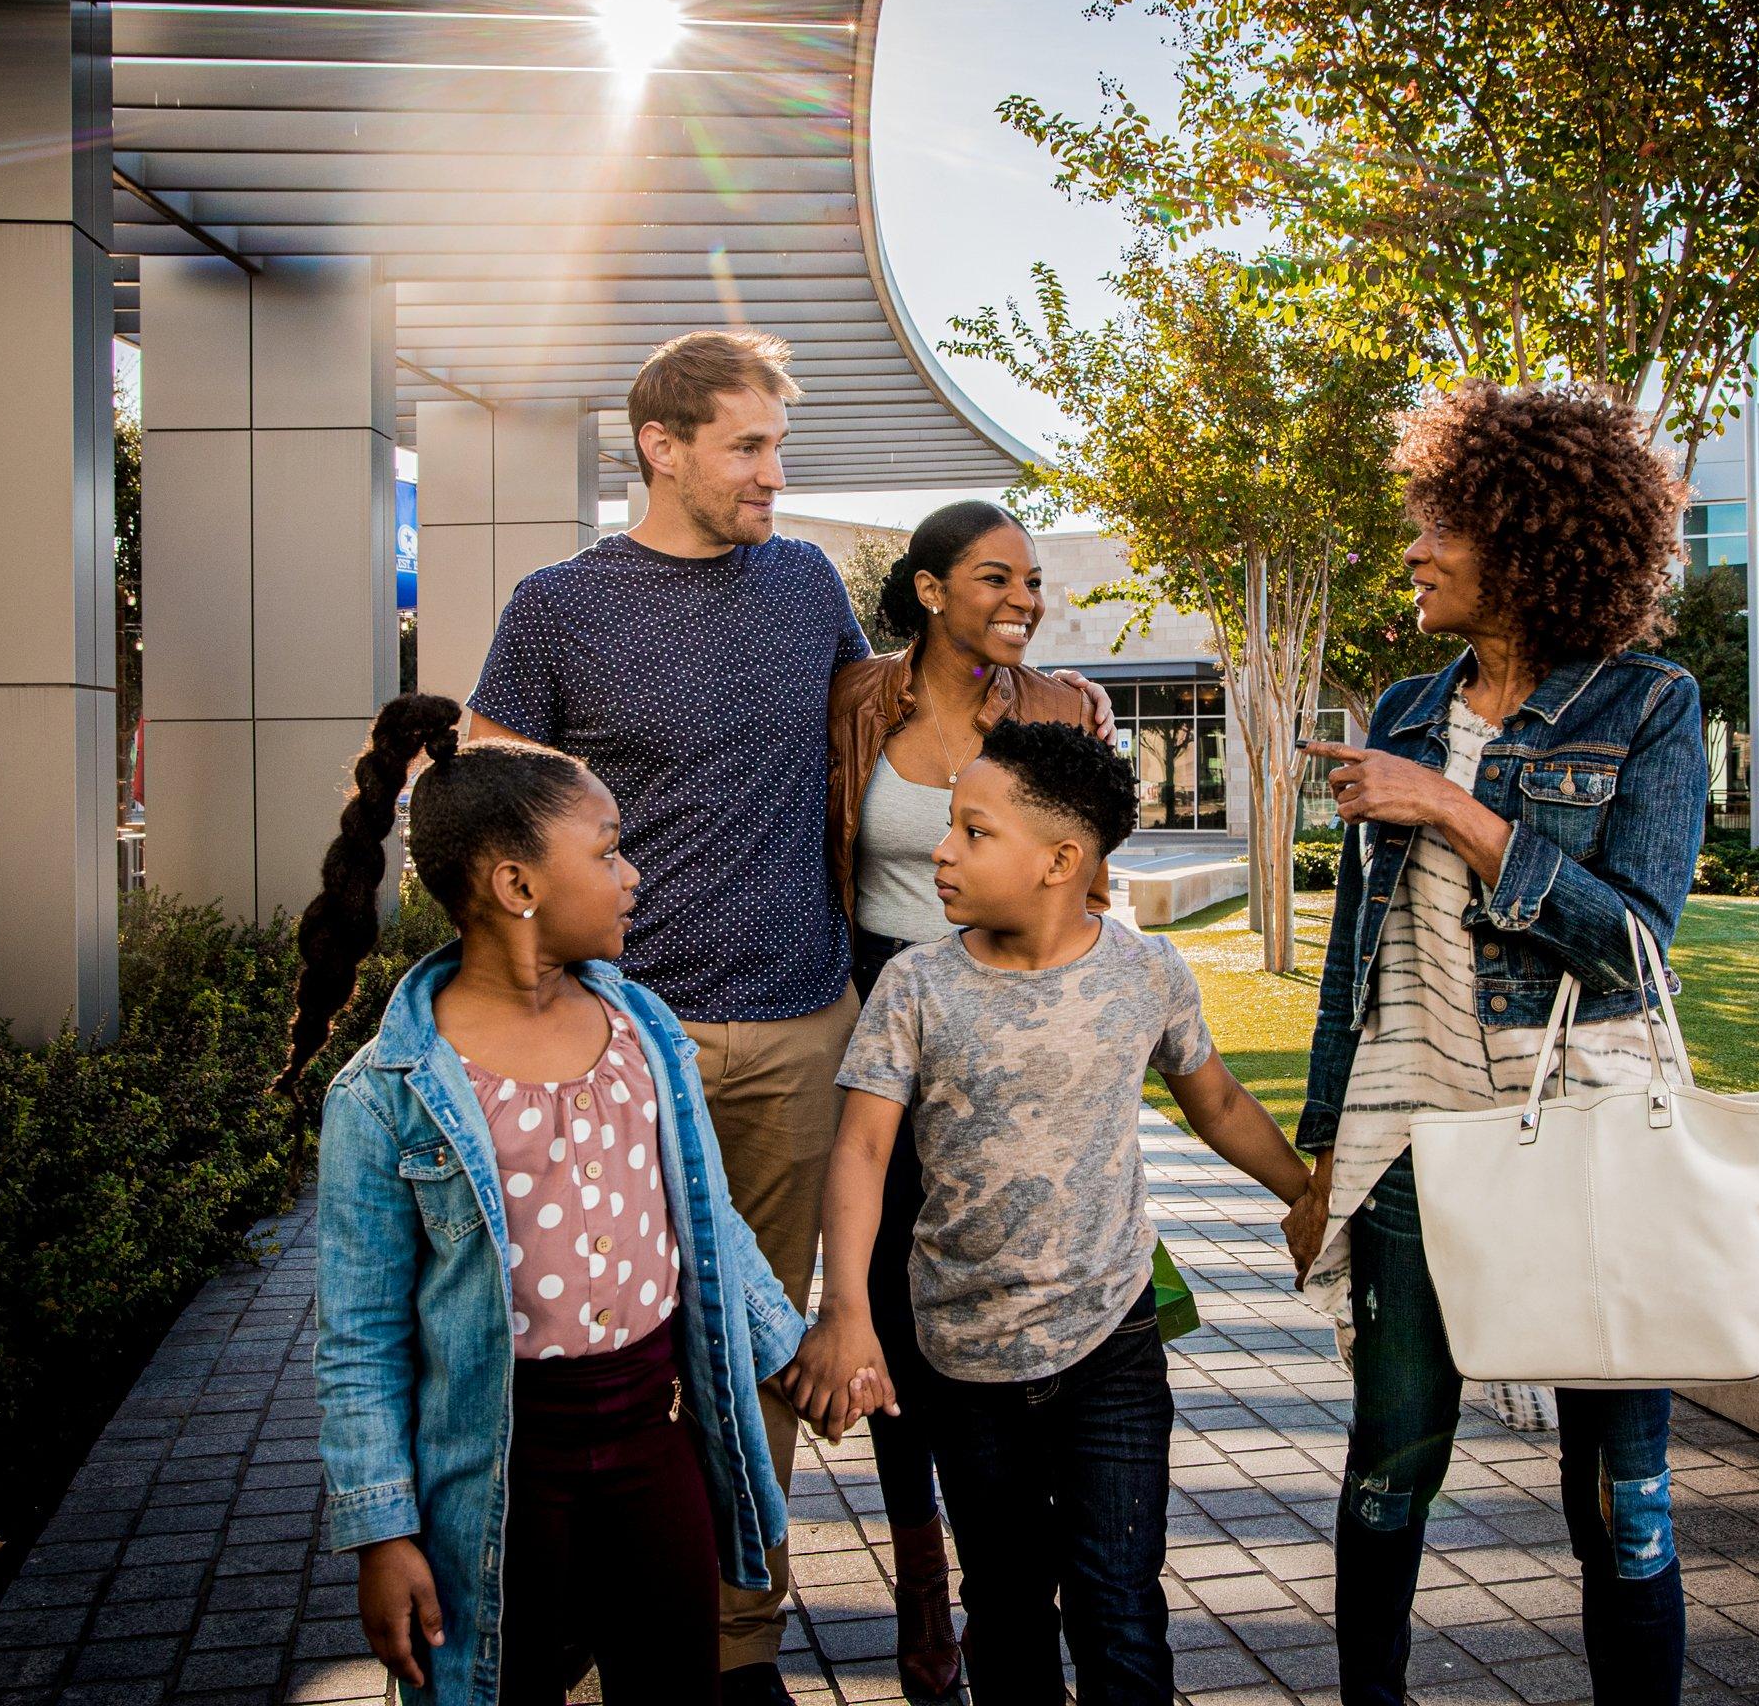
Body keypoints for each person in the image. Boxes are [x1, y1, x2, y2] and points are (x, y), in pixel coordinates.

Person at [460, 331, 1111, 1700]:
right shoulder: (558, 605)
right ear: (664, 445)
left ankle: (733, 1641)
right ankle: (582, 1639)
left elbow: (900, 705)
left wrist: (1051, 702)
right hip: (626, 1041)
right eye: (750, 448)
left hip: (806, 1033)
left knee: (755, 1353)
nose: (773, 474)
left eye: (778, 448)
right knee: (605, 1348)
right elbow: (481, 780)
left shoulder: (804, 581)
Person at [1286, 383, 1708, 1706]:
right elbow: (1354, 964)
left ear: (1529, 543)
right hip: (1413, 1139)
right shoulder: (1409, 709)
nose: (1410, 550)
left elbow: (1632, 943)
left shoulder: (1648, 707)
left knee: (1619, 1494)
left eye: (1438, 526)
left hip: (1584, 1136)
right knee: (1390, 1463)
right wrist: (1315, 1156)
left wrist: (1458, 815)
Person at [286, 693, 818, 1706]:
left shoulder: (644, 1031)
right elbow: (356, 1341)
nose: (633, 876)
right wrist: (380, 1532)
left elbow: (703, 1222)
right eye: (610, 852)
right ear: (517, 883)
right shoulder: (389, 1094)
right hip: (498, 1477)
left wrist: (792, 1348)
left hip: (655, 1448)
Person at [788, 720, 1316, 1706]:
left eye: (974, 832)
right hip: (966, 1360)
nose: (942, 850)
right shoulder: (915, 986)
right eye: (948, 826)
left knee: (1120, 1608)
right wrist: (846, 1309)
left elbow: (1222, 1104)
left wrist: (1308, 1195)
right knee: (1009, 1603)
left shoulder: (1145, 974)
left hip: (1111, 1342)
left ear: (1060, 861)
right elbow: (860, 1147)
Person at [823, 500, 1109, 1701]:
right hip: (881, 1002)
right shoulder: (852, 704)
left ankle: (1016, 1573)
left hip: (1006, 1016)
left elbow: (1087, 879)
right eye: (997, 579)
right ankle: (920, 1571)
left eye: (1033, 581)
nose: (1024, 601)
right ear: (930, 590)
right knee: (889, 1298)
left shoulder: (1062, 710)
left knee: (1003, 1284)